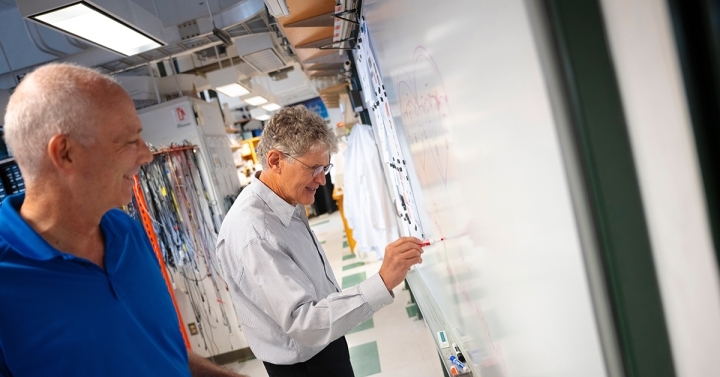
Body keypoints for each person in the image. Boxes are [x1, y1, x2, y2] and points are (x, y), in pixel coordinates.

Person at [0, 63, 246, 377]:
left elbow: (159, 349)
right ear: (66, 153)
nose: (146, 155)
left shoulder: (127, 232)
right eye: (129, 141)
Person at [216, 106, 423, 377]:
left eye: (325, 167)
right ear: (276, 161)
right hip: (306, 366)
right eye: (313, 168)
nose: (322, 180)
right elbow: (304, 324)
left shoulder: (284, 201)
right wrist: (382, 281)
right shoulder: (255, 231)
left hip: (325, 345)